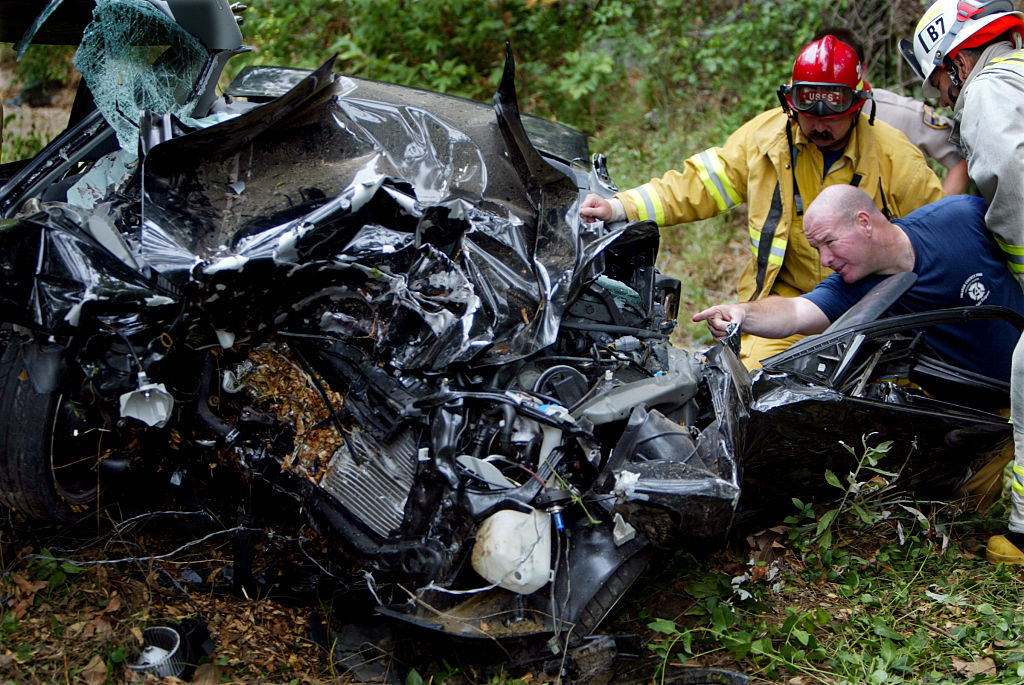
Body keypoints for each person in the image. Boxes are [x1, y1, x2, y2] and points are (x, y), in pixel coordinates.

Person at [580, 35, 945, 371]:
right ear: (789, 102)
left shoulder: (896, 158)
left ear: (858, 106)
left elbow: (938, 242)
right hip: (784, 306)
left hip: (874, 307)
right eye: (808, 112)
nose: (818, 125)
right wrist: (621, 207)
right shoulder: (764, 141)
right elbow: (698, 185)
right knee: (748, 386)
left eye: (831, 116)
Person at [902, 0, 1024, 565]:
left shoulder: (987, 90)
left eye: (941, 84)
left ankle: (1022, 536)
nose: (946, 98)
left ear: (958, 60)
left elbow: (1012, 173)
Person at [693, 184, 1024, 384]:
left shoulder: (961, 217)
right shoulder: (856, 289)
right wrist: (741, 313)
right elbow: (796, 311)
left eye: (829, 242)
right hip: (984, 409)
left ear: (864, 223)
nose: (825, 260)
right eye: (816, 249)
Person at [812, 26, 969, 196]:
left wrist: (939, 213)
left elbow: (961, 158)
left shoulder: (901, 113)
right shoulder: (796, 116)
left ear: (862, 69)